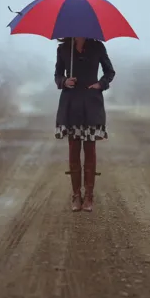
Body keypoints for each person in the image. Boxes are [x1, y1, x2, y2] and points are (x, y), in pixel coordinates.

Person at [54, 37, 115, 212]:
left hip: (91, 105)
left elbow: (110, 72)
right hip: (71, 105)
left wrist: (100, 84)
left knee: (90, 150)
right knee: (73, 150)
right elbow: (57, 75)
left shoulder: (97, 47)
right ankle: (75, 195)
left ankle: (89, 196)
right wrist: (64, 81)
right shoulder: (64, 49)